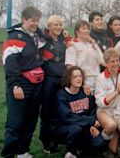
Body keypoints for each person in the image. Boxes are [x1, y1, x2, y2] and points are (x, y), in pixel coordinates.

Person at [1, 6, 46, 158]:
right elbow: (10, 63)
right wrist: (15, 85)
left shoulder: (36, 36)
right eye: (32, 20)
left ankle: (22, 151)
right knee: (16, 122)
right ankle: (8, 154)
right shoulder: (14, 37)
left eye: (37, 21)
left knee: (31, 120)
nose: (35, 24)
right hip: (21, 84)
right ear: (24, 20)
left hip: (36, 85)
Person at [51, 66, 105, 158]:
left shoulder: (86, 93)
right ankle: (70, 152)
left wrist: (92, 125)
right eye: (75, 77)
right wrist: (89, 122)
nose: (78, 79)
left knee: (99, 143)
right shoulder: (61, 95)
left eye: (80, 76)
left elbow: (92, 111)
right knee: (76, 129)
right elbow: (67, 117)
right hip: (64, 126)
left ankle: (80, 148)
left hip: (84, 125)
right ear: (69, 79)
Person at [40, 15, 70, 154]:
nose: (58, 27)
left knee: (59, 110)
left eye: (60, 25)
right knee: (47, 111)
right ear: (49, 27)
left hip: (62, 80)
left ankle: (56, 139)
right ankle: (46, 141)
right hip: (49, 80)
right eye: (55, 25)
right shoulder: (43, 39)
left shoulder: (63, 40)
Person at [95, 48, 120, 155]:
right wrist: (116, 92)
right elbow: (100, 102)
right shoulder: (101, 78)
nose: (116, 64)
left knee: (114, 150)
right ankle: (101, 144)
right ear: (106, 63)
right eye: (112, 61)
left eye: (117, 60)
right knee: (111, 125)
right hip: (105, 111)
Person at [65, 20, 104, 93]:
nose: (87, 31)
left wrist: (94, 44)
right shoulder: (72, 45)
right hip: (83, 82)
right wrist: (82, 83)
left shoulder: (92, 44)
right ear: (77, 31)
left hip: (97, 81)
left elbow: (103, 61)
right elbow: (70, 66)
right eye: (83, 28)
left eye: (88, 29)